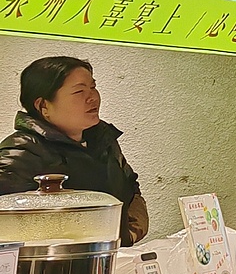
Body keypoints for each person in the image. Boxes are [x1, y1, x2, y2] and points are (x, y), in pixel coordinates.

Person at [0, 57, 148, 245]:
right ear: (43, 106)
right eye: (79, 91)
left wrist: (128, 235)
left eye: (93, 87)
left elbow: (130, 189)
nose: (92, 97)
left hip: (107, 259)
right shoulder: (22, 150)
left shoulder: (102, 140)